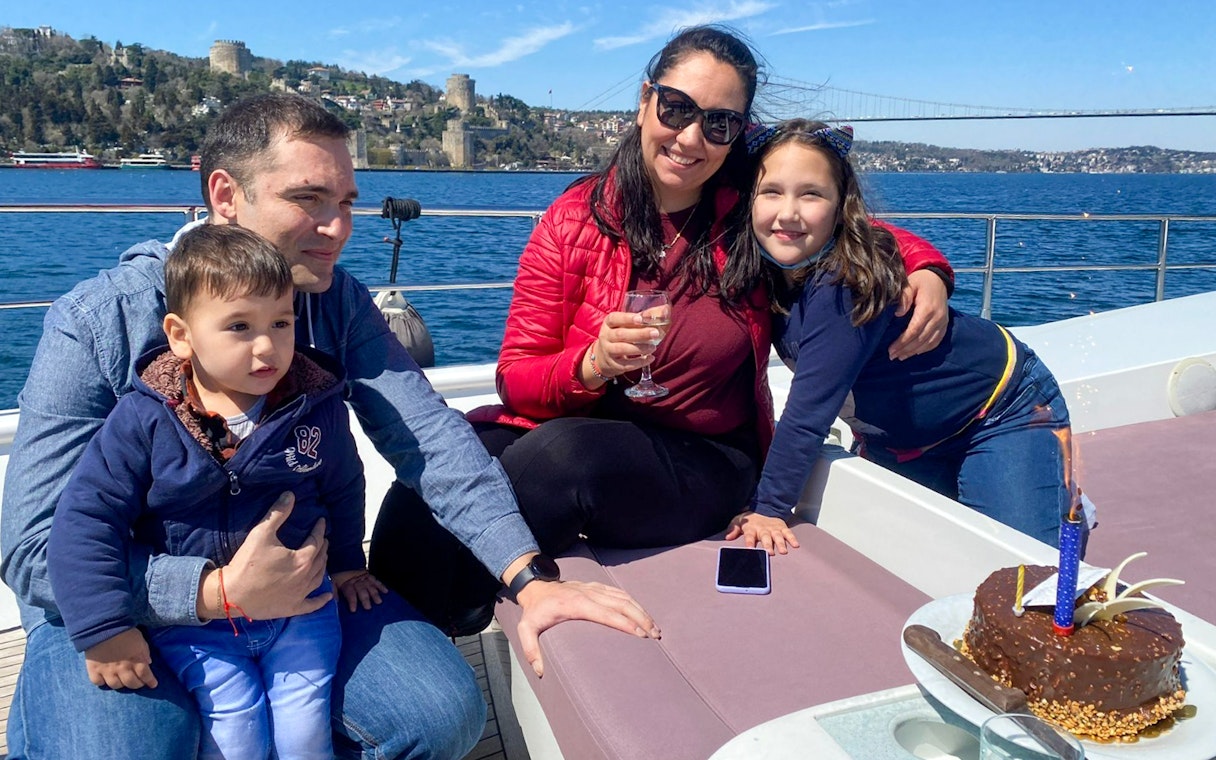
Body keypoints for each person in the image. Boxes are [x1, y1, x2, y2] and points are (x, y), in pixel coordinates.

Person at [0, 92, 656, 760]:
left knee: (440, 713)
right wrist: (214, 593)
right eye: (309, 198)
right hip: (116, 600)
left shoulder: (333, 303)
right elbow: (32, 548)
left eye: (345, 203)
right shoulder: (100, 321)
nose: (339, 227)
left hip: (297, 596)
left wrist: (530, 577)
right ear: (226, 195)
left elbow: (429, 438)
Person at [371, 25, 955, 626]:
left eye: (720, 123)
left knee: (560, 458)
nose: (692, 137)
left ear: (739, 134)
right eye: (676, 109)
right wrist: (591, 365)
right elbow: (516, 380)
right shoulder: (573, 218)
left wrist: (925, 265)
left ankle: (455, 613)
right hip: (593, 419)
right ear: (646, 99)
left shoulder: (745, 203)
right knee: (444, 467)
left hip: (710, 458)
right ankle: (396, 637)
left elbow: (835, 217)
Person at [46, 224, 384, 759]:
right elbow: (86, 519)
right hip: (196, 625)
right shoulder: (144, 420)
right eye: (239, 327)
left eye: (281, 321)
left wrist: (344, 562)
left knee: (304, 734)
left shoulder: (316, 406)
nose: (267, 346)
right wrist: (104, 627)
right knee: (235, 734)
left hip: (303, 607)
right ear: (181, 335)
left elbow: (342, 487)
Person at [728, 120, 1073, 554]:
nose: (788, 212)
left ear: (840, 206)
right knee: (916, 557)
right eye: (771, 191)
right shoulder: (766, 270)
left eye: (811, 193)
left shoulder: (843, 283)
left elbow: (808, 411)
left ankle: (1051, 500)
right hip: (903, 438)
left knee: (1024, 573)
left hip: (1002, 411)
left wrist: (769, 507)